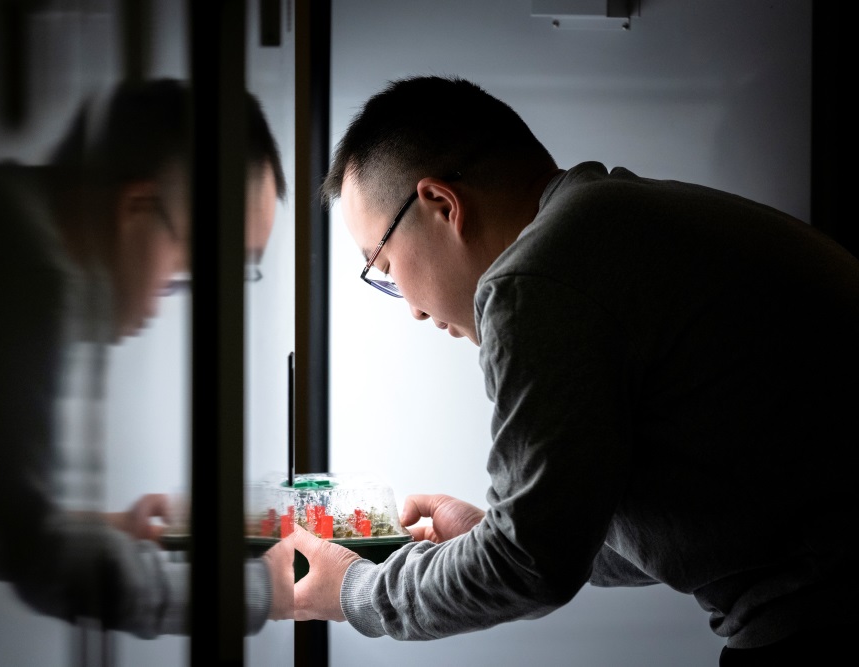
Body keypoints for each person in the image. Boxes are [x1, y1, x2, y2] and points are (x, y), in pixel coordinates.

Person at [292, 75, 859, 665]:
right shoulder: (613, 219)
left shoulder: (537, 277)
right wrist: (499, 530)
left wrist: (353, 591)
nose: (409, 306)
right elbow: (579, 539)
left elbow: (528, 568)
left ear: (442, 204)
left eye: (383, 264)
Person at [0, 78, 292, 638]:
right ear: (136, 210)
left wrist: (100, 526)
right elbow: (42, 563)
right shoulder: (17, 269)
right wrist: (261, 591)